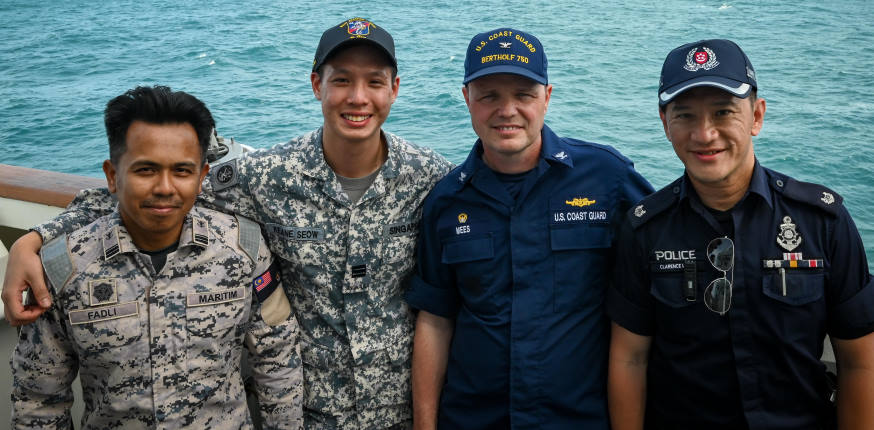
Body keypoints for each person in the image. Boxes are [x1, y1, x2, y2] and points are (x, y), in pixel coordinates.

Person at [3, 18, 452, 429]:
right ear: (317, 85)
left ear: (394, 89)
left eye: (374, 82)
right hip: (311, 410)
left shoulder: (430, 177)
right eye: (341, 81)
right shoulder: (267, 175)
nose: (358, 97)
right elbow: (157, 191)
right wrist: (37, 238)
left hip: (400, 409)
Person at [606, 39, 874, 430]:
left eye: (723, 113)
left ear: (756, 117)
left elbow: (859, 361)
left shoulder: (823, 222)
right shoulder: (645, 230)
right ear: (665, 124)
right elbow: (629, 359)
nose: (705, 133)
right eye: (685, 116)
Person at [10, 85, 303, 429]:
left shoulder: (245, 249)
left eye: (181, 171)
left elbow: (278, 363)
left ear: (201, 178)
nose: (165, 187)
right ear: (112, 175)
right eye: (145, 170)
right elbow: (39, 399)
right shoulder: (65, 266)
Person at [406, 28, 653, 429]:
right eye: (489, 95)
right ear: (467, 98)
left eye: (523, 95)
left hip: (579, 418)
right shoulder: (447, 200)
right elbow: (435, 319)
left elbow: (667, 247)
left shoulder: (607, 176)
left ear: (547, 98)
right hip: (475, 419)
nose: (507, 110)